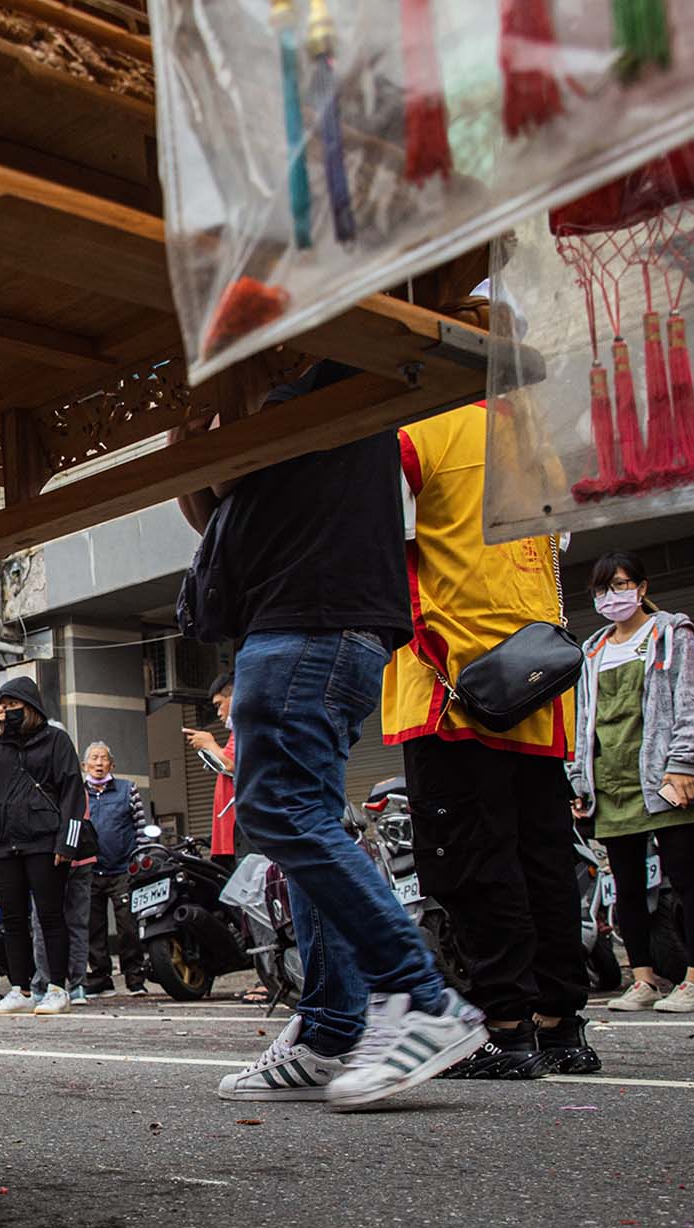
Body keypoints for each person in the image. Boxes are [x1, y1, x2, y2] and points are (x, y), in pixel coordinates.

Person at [180, 361, 482, 1110]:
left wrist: (197, 430)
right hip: (326, 627)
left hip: (307, 625)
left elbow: (208, 480)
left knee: (282, 812)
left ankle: (420, 997)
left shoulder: (313, 390)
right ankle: (332, 1028)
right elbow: (214, 496)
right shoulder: (330, 399)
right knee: (303, 817)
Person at [381, 403, 597, 1077]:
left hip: (454, 685)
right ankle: (561, 1025)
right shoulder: (537, 441)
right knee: (543, 859)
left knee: (470, 859)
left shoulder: (418, 436)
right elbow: (556, 556)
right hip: (533, 682)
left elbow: (380, 548)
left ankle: (506, 1028)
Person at [572, 552, 694, 1014]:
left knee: (686, 878)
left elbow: (690, 703)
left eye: (621, 585)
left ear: (643, 587)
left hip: (663, 776)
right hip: (611, 782)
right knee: (626, 887)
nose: (613, 597)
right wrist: (580, 779)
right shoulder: (592, 650)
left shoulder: (670, 635)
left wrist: (685, 764)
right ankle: (643, 978)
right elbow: (584, 721)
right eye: (602, 589)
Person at [0, 677, 87, 1016]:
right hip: (4, 842)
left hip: (45, 841)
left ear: (30, 707)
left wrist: (68, 842)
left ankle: (58, 988)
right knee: (14, 919)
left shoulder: (56, 741)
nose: (8, 713)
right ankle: (19, 989)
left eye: (12, 707)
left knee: (50, 916)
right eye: (2, 709)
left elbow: (74, 793)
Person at [82, 742, 148, 997]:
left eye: (104, 759)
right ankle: (101, 978)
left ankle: (135, 979)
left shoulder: (127, 789)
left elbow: (141, 827)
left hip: (123, 869)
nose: (99, 763)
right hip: (90, 869)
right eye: (94, 759)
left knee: (128, 926)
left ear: (112, 764)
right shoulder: (78, 792)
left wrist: (140, 860)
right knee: (93, 927)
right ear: (85, 765)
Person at [181, 672, 239, 860]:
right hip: (231, 832)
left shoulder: (244, 730)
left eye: (219, 704)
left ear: (235, 696)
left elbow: (230, 764)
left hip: (239, 833)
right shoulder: (238, 732)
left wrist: (209, 743)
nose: (218, 713)